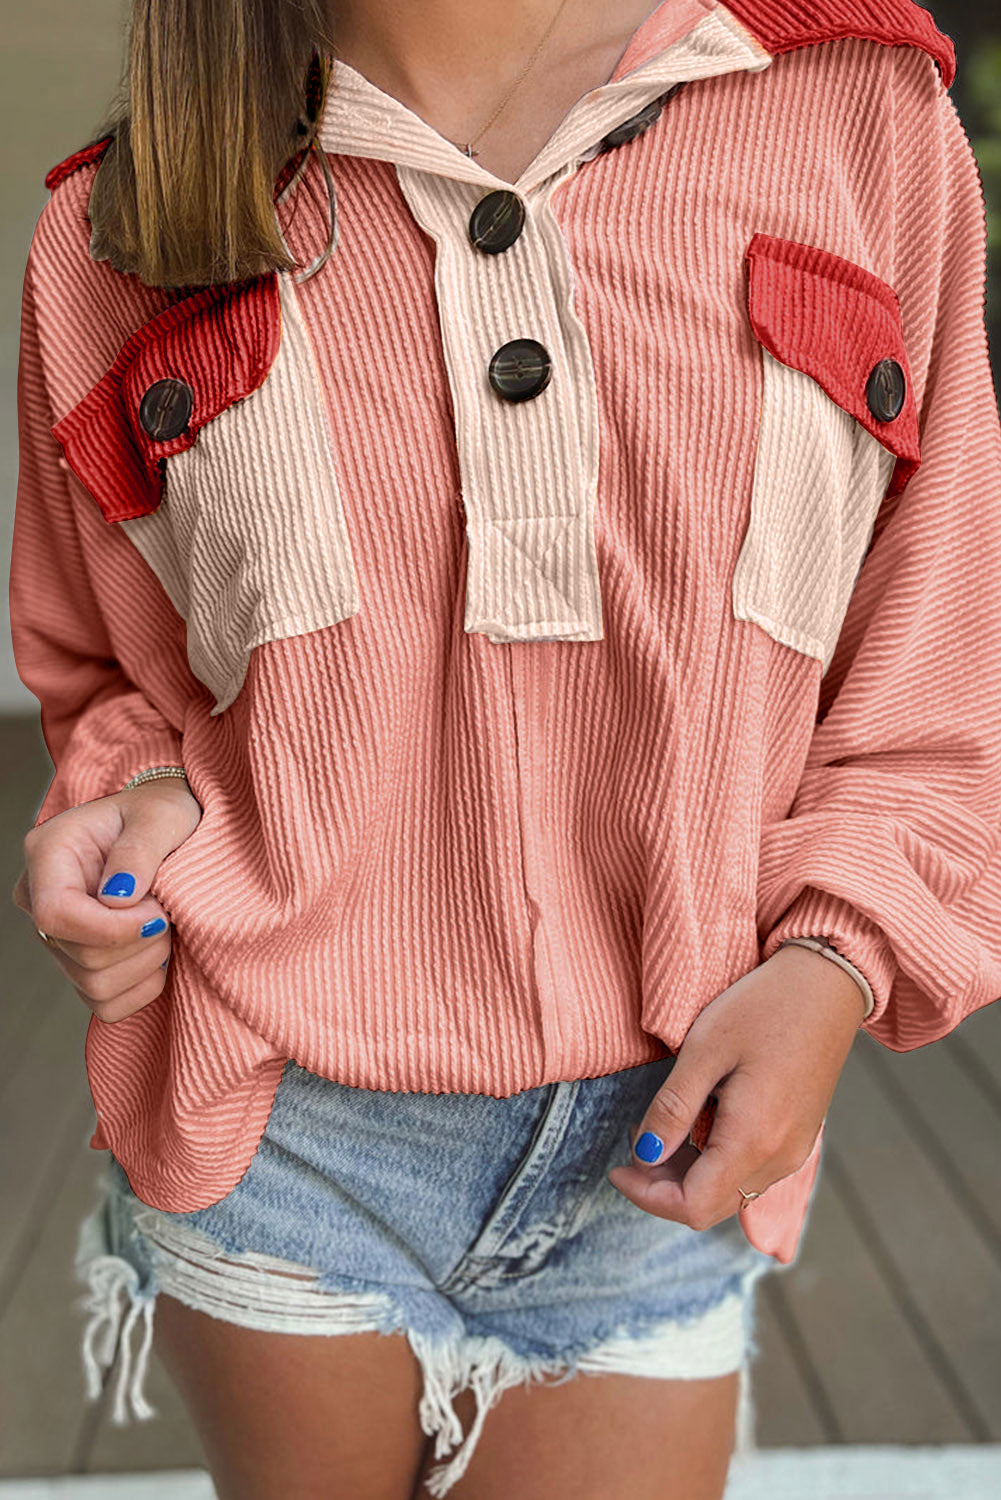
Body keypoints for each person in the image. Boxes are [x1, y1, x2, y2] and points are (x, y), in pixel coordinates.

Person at [9, 1, 1001, 1497]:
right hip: (278, 1123)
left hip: (664, 1132)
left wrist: (836, 961)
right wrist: (130, 795)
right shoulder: (121, 222)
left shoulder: (857, 112)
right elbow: (108, 672)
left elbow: (939, 644)